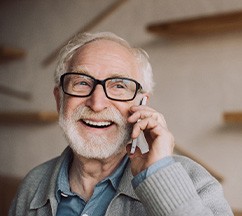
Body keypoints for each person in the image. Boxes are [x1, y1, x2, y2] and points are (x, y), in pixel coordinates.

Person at [9, 32, 233, 216]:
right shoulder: (33, 184)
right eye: (82, 83)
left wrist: (159, 177)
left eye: (118, 86)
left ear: (142, 103)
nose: (97, 103)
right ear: (60, 100)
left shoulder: (195, 181)